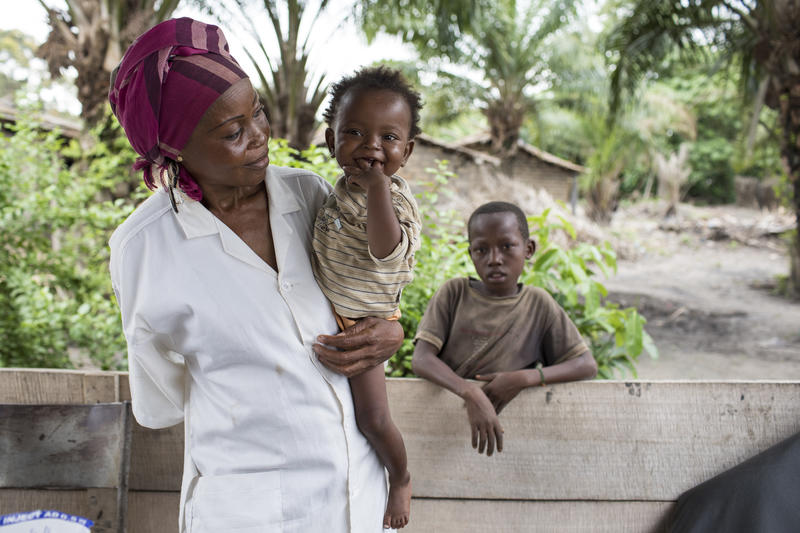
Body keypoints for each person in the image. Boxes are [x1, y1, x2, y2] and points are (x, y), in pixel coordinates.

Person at [108, 18, 405, 533]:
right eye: (233, 132)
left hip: (361, 499)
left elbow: (366, 285)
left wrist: (392, 329)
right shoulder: (146, 248)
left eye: (259, 113)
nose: (261, 136)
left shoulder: (310, 195)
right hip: (250, 512)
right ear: (174, 148)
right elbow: (160, 402)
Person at [311, 66, 422, 529]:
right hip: (333, 308)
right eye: (353, 132)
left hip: (364, 323)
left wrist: (378, 188)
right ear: (329, 138)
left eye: (388, 137)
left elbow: (382, 247)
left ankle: (400, 476)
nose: (371, 145)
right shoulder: (333, 189)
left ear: (407, 150)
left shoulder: (392, 198)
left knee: (373, 419)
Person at [411, 201, 598, 456]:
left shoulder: (537, 304)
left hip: (514, 440)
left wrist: (523, 378)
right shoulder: (454, 293)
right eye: (481, 250)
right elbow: (421, 359)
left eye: (507, 246)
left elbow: (585, 364)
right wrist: (471, 394)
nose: (495, 259)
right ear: (470, 253)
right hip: (444, 431)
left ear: (529, 249)